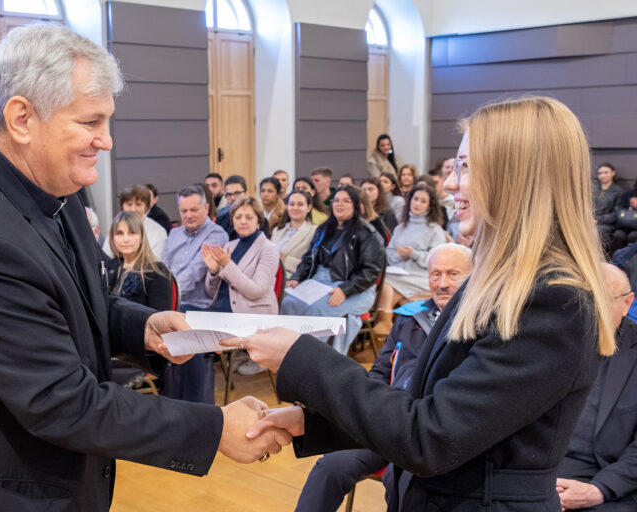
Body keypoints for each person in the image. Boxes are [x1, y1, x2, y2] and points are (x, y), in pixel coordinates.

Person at [0, 25, 291, 511]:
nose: (107, 140)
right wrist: (215, 428)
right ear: (22, 119)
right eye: (90, 121)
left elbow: (76, 296)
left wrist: (142, 327)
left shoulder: (56, 185)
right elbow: (62, 403)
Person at [238, 96, 616, 512]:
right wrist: (314, 423)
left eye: (466, 166)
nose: (450, 183)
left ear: (515, 176)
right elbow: (431, 408)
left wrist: (301, 356)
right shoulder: (501, 282)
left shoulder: (550, 300)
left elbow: (431, 438)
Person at [294, 243, 472, 512]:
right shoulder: (410, 317)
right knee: (330, 466)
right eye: (435, 274)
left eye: (453, 274)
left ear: (472, 276)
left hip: (430, 433)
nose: (442, 283)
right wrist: (367, 411)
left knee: (398, 481)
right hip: (388, 421)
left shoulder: (478, 326)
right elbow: (380, 372)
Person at [556, 264, 637, 511]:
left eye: (599, 300)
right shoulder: (548, 340)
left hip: (608, 482)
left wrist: (598, 490)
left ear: (627, 303)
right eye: (581, 299)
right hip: (535, 476)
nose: (588, 310)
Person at [281, 187, 385, 355]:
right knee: (289, 302)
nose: (339, 204)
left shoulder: (367, 233)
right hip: (319, 281)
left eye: (346, 201)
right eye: (336, 200)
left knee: (318, 309)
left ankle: (314, 359)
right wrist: (297, 278)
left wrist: (345, 290)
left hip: (355, 287)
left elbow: (370, 271)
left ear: (356, 205)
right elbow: (309, 258)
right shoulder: (324, 228)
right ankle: (287, 353)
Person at [162, 185, 229, 403]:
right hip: (174, 301)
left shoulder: (216, 235)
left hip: (203, 305)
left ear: (206, 208)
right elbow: (164, 269)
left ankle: (196, 404)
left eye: (194, 210)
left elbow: (194, 274)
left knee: (182, 323)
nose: (188, 215)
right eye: (184, 211)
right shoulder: (174, 233)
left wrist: (167, 297)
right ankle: (171, 401)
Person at [203, 197, 280, 375]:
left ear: (258, 221)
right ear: (233, 221)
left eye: (249, 217)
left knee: (193, 334)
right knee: (183, 318)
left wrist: (227, 265)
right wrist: (213, 271)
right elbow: (210, 292)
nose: (243, 221)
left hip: (250, 313)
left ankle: (200, 385)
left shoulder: (269, 248)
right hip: (221, 309)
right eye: (238, 217)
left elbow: (256, 291)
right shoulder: (230, 245)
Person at [375, 184, 447, 335]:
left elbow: (437, 260)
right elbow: (389, 253)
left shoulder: (435, 229)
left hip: (421, 277)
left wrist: (413, 254)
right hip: (401, 274)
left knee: (386, 284)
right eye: (415, 199)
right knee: (387, 281)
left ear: (430, 206)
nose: (417, 203)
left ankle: (383, 322)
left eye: (423, 201)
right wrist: (399, 256)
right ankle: (385, 326)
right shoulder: (400, 227)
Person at [106, 211, 171, 310]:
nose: (125, 239)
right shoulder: (109, 266)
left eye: (132, 233)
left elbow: (161, 314)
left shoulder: (156, 271)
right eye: (119, 233)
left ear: (141, 237)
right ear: (112, 238)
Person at [104, 184, 167, 259]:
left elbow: (156, 261)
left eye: (138, 204)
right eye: (129, 204)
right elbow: (106, 256)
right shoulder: (115, 227)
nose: (133, 209)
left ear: (146, 207)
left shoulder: (159, 231)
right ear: (122, 206)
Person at [271, 190, 318, 279]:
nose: (295, 208)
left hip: (293, 279)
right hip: (271, 276)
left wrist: (284, 259)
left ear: (309, 208)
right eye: (292, 204)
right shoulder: (277, 231)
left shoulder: (315, 231)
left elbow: (313, 266)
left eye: (300, 204)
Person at [216, 175, 270, 239]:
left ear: (246, 194)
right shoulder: (220, 221)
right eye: (229, 194)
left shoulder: (260, 220)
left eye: (237, 193)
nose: (232, 198)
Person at [594, 163, 623, 253]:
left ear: (613, 173)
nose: (602, 175)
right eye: (600, 173)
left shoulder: (618, 191)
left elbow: (616, 214)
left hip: (607, 223)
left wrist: (597, 220)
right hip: (590, 221)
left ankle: (600, 257)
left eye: (606, 172)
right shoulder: (593, 189)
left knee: (598, 231)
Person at [613, 177, 637, 251]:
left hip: (635, 227)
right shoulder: (629, 194)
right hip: (624, 223)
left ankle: (629, 257)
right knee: (618, 235)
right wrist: (630, 207)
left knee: (632, 236)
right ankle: (616, 256)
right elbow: (620, 209)